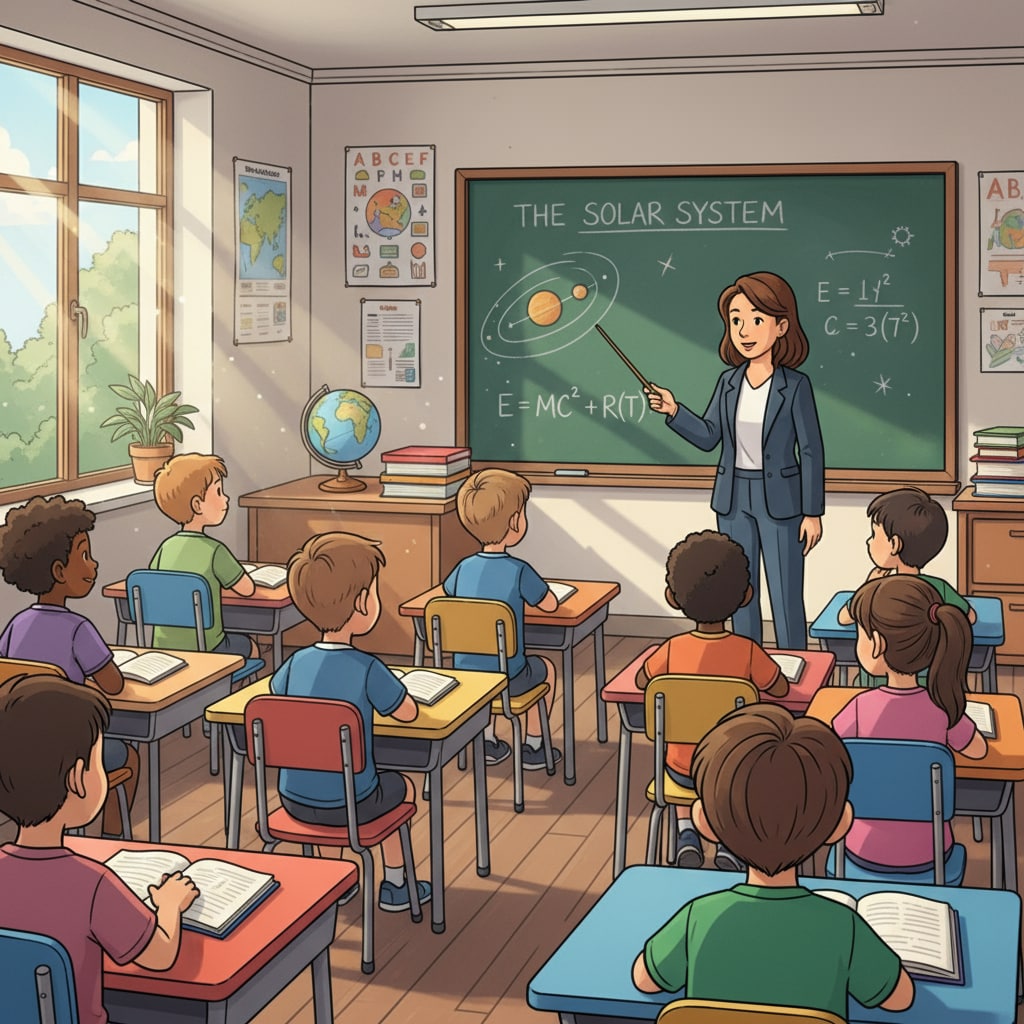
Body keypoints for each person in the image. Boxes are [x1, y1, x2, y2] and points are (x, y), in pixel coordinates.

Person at [631, 703, 914, 1018]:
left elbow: (644, 980)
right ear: (839, 824)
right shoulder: (844, 926)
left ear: (704, 821)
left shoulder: (698, 916)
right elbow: (900, 999)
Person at [0, 673, 199, 1024]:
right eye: (99, 762)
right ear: (77, 778)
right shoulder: (92, 883)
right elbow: (160, 955)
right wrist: (169, 905)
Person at [645, 271, 824, 650]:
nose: (744, 331)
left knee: (786, 593)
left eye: (756, 320)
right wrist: (674, 410)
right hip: (733, 498)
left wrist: (812, 512)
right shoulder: (728, 382)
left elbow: (811, 450)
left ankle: (797, 664)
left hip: (782, 502)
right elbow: (710, 436)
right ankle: (746, 661)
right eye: (736, 320)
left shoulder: (795, 386)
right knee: (739, 590)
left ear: (781, 326)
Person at [269, 531, 430, 913]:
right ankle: (396, 884)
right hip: (353, 804)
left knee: (328, 776)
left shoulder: (294, 663)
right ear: (361, 602)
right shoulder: (367, 667)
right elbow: (407, 712)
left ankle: (335, 879)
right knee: (403, 787)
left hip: (292, 800)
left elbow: (277, 694)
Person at [635, 530, 789, 870]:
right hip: (733, 773)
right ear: (746, 595)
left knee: (683, 759)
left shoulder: (672, 650)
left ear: (673, 597)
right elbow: (780, 690)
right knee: (735, 772)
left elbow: (642, 680)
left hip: (679, 773)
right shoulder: (748, 651)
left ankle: (686, 831)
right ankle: (725, 841)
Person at [0, 495, 139, 837]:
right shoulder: (78, 628)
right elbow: (114, 685)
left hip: (17, 748)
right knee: (129, 757)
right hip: (68, 752)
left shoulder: (16, 624)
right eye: (85, 556)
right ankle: (111, 836)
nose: (94, 564)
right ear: (59, 572)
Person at [832, 574, 986, 872]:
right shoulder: (943, 709)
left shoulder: (859, 708)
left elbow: (831, 749)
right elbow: (978, 750)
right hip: (931, 854)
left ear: (877, 644)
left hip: (860, 849)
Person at [444, 467, 561, 769]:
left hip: (467, 679)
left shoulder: (462, 568)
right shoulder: (519, 570)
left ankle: (486, 740)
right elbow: (549, 605)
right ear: (515, 522)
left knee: (486, 663)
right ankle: (534, 745)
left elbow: (447, 592)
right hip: (509, 679)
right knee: (546, 669)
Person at [837, 487, 975, 685]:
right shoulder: (940, 587)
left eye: (874, 534)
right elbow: (969, 617)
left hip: (876, 688)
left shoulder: (877, 591)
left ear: (894, 544)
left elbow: (843, 618)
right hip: (930, 686)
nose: (869, 541)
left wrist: (866, 587)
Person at [149, 453, 258, 659]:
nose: (225, 498)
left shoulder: (165, 548)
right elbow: (247, 589)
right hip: (209, 648)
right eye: (218, 491)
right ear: (197, 505)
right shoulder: (215, 550)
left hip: (164, 649)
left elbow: (155, 583)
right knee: (251, 646)